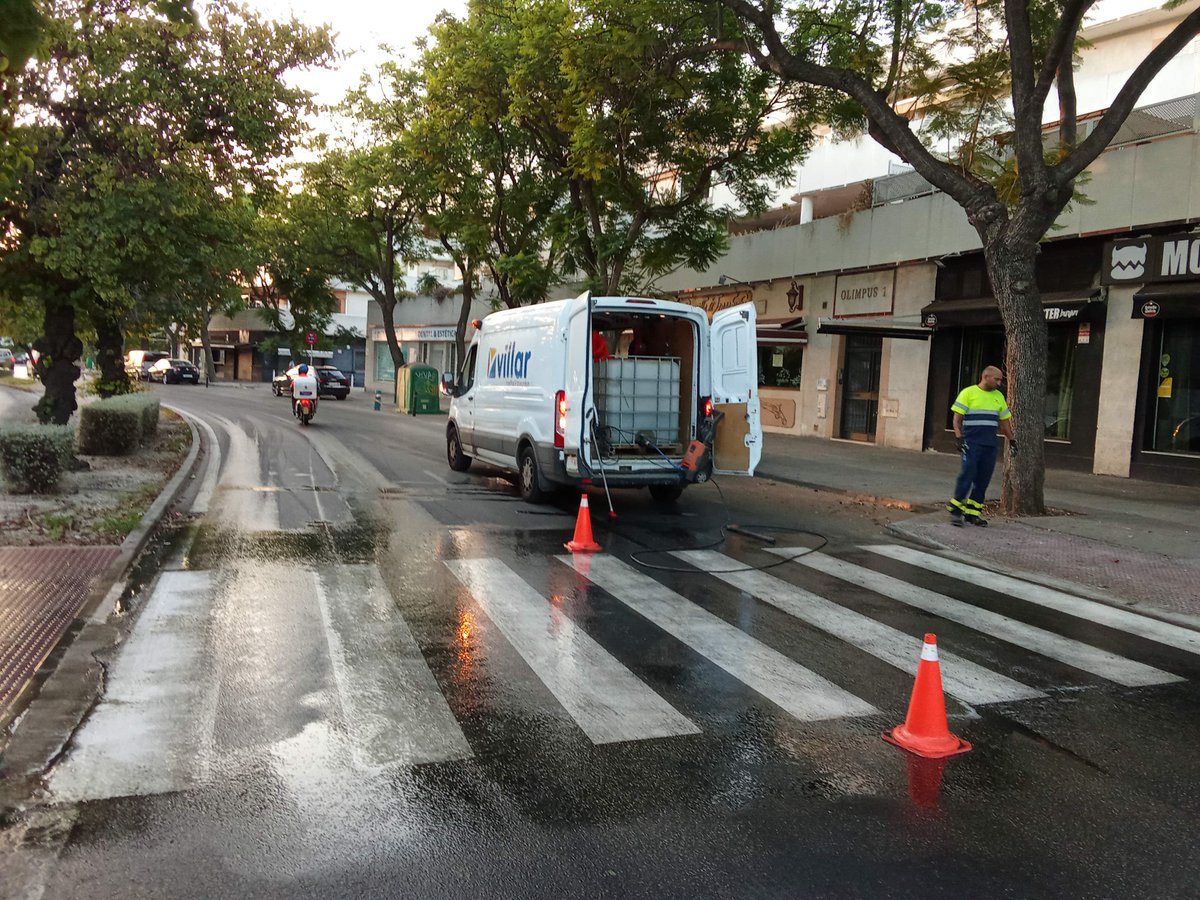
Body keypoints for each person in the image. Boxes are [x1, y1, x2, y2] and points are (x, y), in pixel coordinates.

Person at [948, 365, 1016, 527]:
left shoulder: (998, 396)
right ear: (985, 377)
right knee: (967, 476)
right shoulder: (968, 393)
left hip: (990, 446)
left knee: (982, 481)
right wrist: (959, 438)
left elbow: (1005, 424)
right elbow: (957, 419)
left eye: (1001, 379)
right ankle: (956, 511)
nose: (999, 383)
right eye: (997, 379)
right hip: (971, 444)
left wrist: (1012, 440)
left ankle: (973, 514)